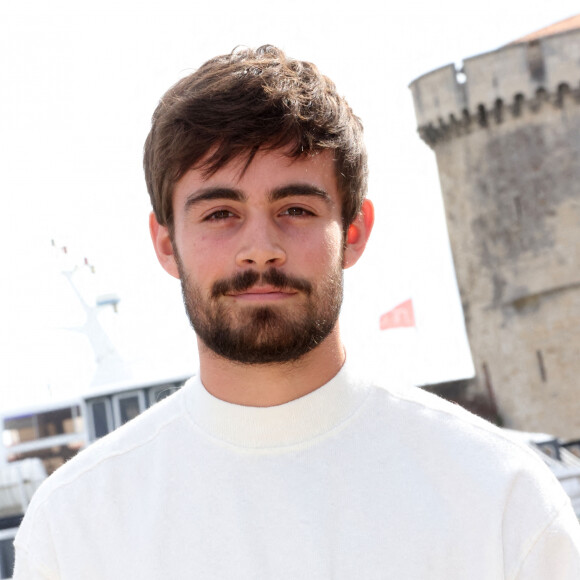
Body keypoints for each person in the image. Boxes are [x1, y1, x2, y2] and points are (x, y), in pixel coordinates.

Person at [13, 45, 580, 579]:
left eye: (296, 208)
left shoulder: (501, 495)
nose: (260, 247)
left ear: (354, 232)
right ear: (166, 243)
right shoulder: (75, 526)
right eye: (219, 214)